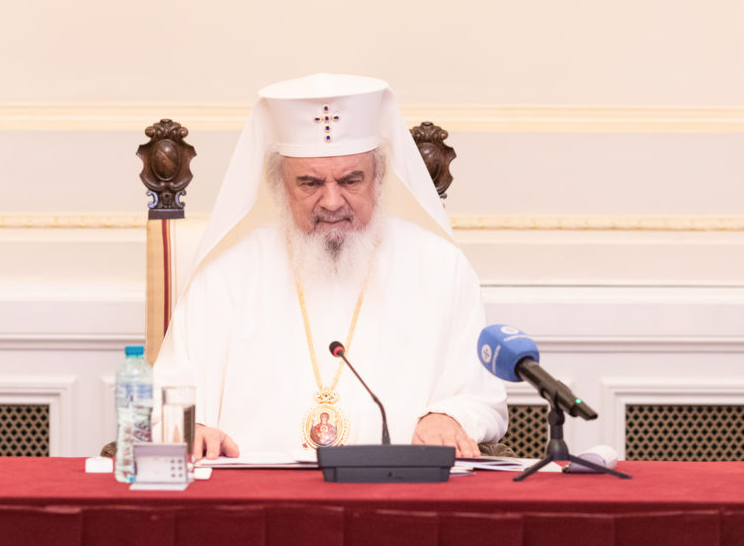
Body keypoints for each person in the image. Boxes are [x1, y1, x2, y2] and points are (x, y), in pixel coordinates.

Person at [153, 73, 507, 460]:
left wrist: (450, 416)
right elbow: (165, 404)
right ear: (279, 186)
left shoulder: (440, 267)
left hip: (397, 490)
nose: (333, 202)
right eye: (310, 183)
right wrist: (192, 429)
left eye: (351, 180)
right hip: (255, 490)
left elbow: (481, 399)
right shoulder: (226, 275)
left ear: (379, 178)